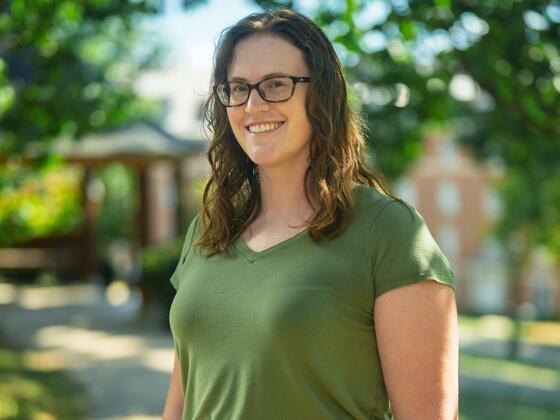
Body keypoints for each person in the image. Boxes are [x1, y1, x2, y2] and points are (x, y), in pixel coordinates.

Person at [163, 7, 458, 420]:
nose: (254, 105)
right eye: (238, 88)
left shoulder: (389, 232)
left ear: (321, 93)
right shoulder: (209, 230)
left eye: (277, 85)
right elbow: (180, 401)